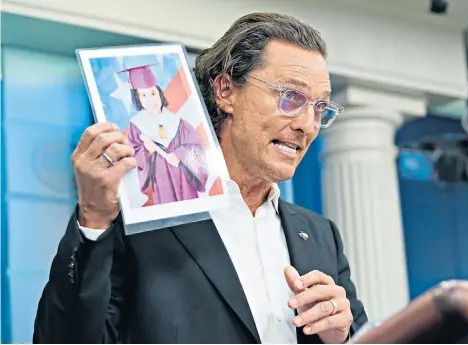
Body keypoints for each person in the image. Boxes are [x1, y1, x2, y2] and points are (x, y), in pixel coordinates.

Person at [33, 12, 368, 344]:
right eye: (291, 97)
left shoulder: (322, 235)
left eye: (320, 107)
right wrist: (93, 216)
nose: (308, 125)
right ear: (225, 91)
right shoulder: (141, 221)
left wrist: (340, 338)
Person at [124, 64, 208, 205]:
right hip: (161, 179)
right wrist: (146, 151)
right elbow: (133, 153)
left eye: (153, 93)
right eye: (143, 95)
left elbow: (196, 148)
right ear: (137, 99)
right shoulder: (136, 126)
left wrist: (180, 155)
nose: (150, 100)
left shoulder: (179, 123)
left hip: (183, 178)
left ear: (159, 93)